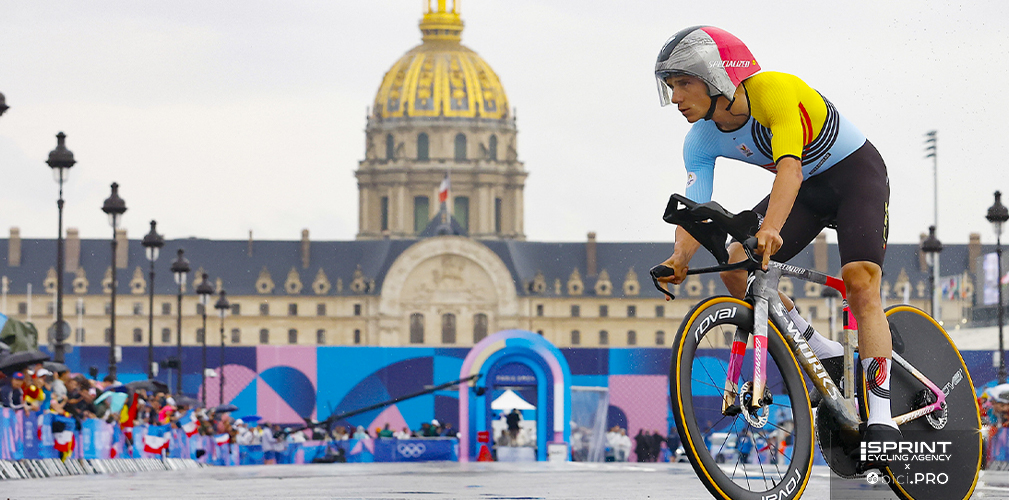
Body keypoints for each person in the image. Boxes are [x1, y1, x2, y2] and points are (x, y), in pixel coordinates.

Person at [652, 26, 900, 455]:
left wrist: (770, 229)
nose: (675, 97)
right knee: (735, 263)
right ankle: (816, 345)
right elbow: (696, 209)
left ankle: (881, 418)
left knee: (859, 280)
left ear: (716, 76)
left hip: (853, 177)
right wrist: (678, 256)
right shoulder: (699, 139)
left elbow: (791, 170)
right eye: (671, 86)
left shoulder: (775, 92)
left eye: (684, 83)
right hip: (805, 192)